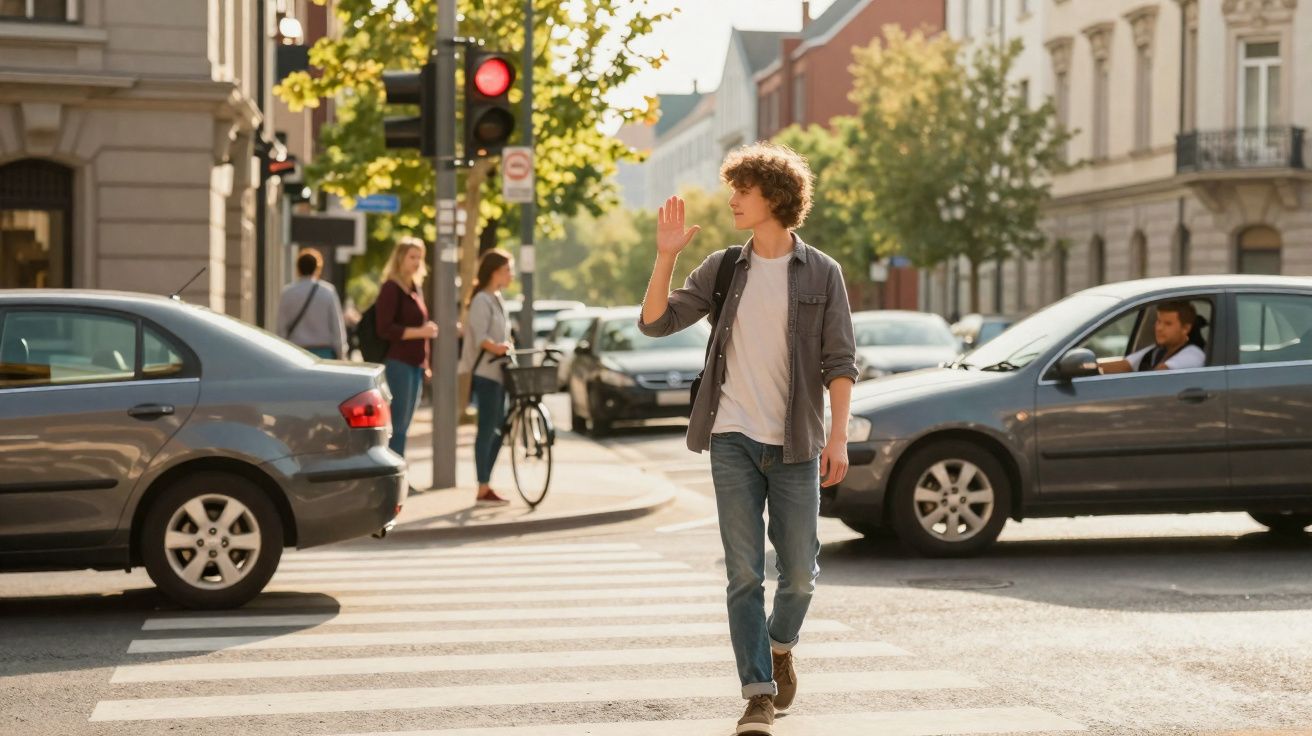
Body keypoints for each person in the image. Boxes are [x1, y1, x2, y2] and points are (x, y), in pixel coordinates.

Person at [637, 143, 858, 736]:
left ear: (776, 198)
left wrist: (838, 438)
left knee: (801, 573)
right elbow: (656, 322)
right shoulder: (724, 267)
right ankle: (758, 694)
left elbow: (840, 361)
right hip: (732, 436)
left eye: (743, 190)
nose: (733, 199)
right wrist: (665, 258)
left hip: (796, 442)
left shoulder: (822, 273)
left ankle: (780, 646)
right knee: (742, 574)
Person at [459, 248, 516, 507]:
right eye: (507, 270)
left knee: (499, 428)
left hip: (499, 373)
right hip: (486, 373)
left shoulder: (497, 298)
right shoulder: (482, 299)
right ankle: (482, 486)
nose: (511, 274)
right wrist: (499, 347)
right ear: (495, 272)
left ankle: (486, 483)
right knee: (487, 429)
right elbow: (481, 338)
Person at [375, 236, 439, 458]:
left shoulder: (415, 288)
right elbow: (384, 328)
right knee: (398, 424)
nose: (416, 262)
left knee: (406, 423)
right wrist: (421, 332)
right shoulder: (391, 288)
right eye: (412, 257)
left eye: (419, 258)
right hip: (399, 362)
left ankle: (399, 469)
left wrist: (426, 363)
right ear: (400, 258)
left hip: (416, 364)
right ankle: (394, 473)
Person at [277, 248, 348, 360]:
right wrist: (341, 355)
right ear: (317, 268)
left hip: (295, 354)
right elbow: (337, 327)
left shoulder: (287, 293)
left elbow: (281, 328)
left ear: (298, 268)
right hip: (324, 355)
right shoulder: (328, 292)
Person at [1099, 301, 1205, 374]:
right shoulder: (1155, 351)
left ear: (1185, 328)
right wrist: (1089, 369)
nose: (1159, 328)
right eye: (1158, 321)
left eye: (1168, 324)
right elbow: (1125, 365)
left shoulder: (1194, 354)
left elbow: (1159, 374)